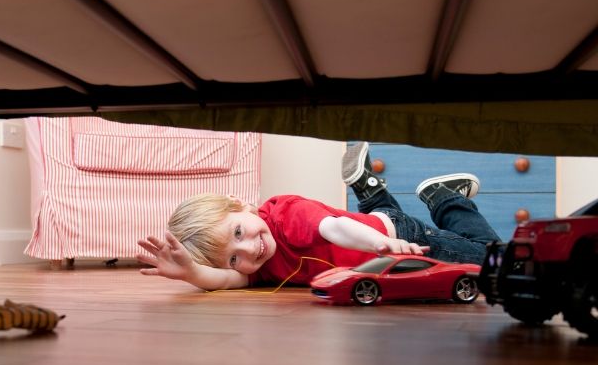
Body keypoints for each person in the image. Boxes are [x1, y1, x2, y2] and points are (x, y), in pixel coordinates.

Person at [137, 142, 501, 290]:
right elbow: (231, 281)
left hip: (398, 239)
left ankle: (445, 199)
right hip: (378, 231)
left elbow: (336, 227)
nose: (249, 250)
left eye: (238, 233)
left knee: (490, 256)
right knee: (378, 214)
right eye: (234, 259)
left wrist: (383, 243)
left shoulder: (283, 215)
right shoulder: (256, 265)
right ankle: (368, 188)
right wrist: (192, 274)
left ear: (240, 204)